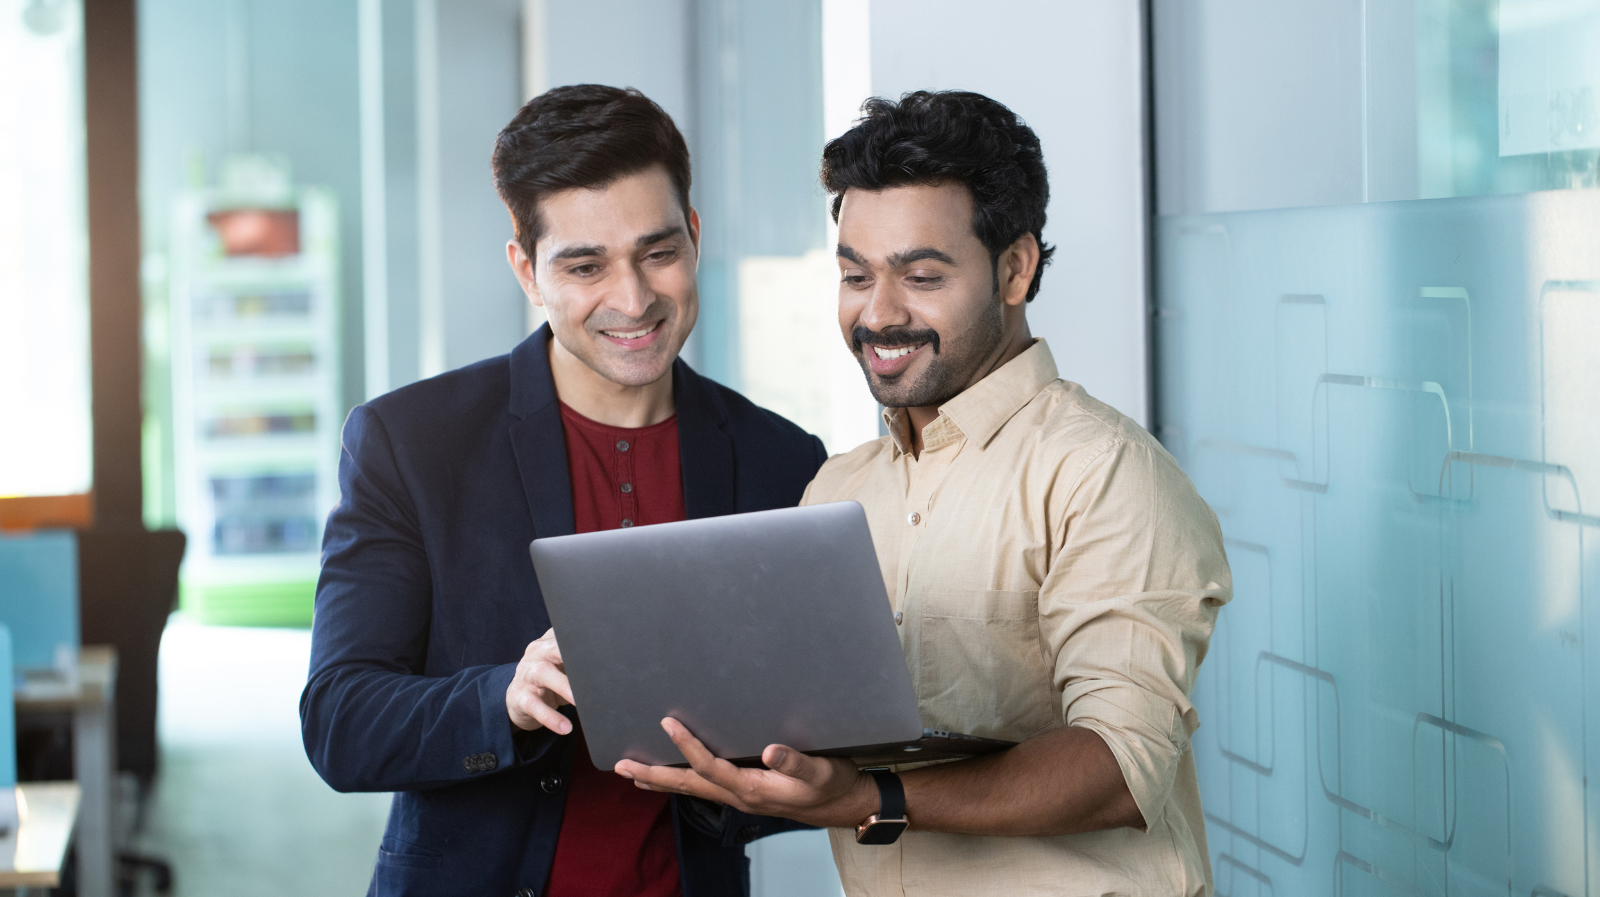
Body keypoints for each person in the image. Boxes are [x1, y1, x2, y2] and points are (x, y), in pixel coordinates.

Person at [618, 90, 1232, 896]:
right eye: (854, 275)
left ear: (1016, 268)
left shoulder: (1103, 473)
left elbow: (1121, 767)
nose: (879, 313)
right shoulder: (840, 489)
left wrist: (876, 798)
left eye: (922, 275)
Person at [301, 84, 825, 897]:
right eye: (585, 265)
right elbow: (340, 721)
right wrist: (502, 698)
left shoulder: (779, 460)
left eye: (658, 253)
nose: (633, 298)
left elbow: (800, 745)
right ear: (526, 269)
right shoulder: (411, 443)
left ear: (694, 235)